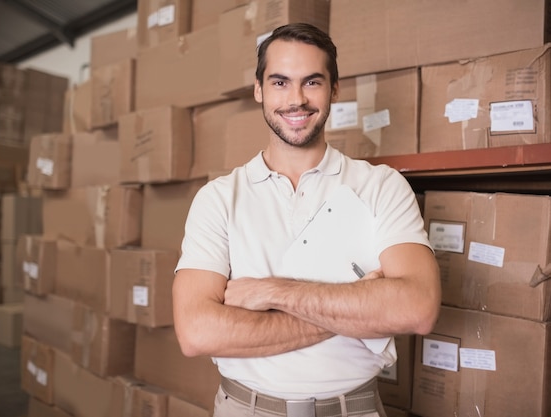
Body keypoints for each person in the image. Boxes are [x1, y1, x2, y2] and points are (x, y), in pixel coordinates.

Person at [172, 22, 441, 417]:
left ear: (334, 89)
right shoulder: (218, 199)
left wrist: (274, 292)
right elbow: (196, 332)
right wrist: (355, 311)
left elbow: (418, 308)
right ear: (258, 89)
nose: (296, 99)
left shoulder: (381, 186)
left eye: (311, 82)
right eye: (280, 83)